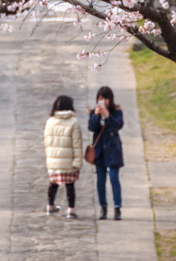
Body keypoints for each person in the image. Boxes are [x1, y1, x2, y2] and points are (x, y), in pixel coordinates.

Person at [43, 95, 83, 219]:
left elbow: (47, 142)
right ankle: (71, 210)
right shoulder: (74, 122)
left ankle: (50, 206)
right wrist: (78, 161)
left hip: (54, 161)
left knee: (53, 184)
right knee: (70, 186)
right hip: (69, 160)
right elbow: (77, 144)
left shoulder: (50, 121)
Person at [89, 85, 124, 220]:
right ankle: (103, 207)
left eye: (105, 98)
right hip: (99, 151)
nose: (103, 101)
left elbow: (118, 125)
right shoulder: (94, 112)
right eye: (100, 98)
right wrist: (97, 115)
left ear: (110, 99)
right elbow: (91, 127)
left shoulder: (116, 111)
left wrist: (107, 115)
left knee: (114, 178)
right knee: (100, 180)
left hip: (113, 149)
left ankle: (117, 208)